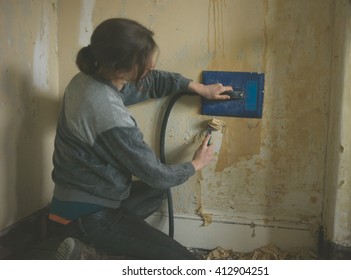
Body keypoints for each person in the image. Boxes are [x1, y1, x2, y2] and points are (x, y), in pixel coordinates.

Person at [48, 18, 232, 260]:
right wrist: (195, 164)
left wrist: (197, 87)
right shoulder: (109, 114)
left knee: (155, 192)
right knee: (186, 262)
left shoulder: (86, 80)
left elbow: (151, 82)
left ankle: (93, 249)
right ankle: (95, 255)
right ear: (121, 70)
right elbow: (155, 173)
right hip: (87, 215)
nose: (152, 64)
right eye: (144, 62)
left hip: (70, 199)